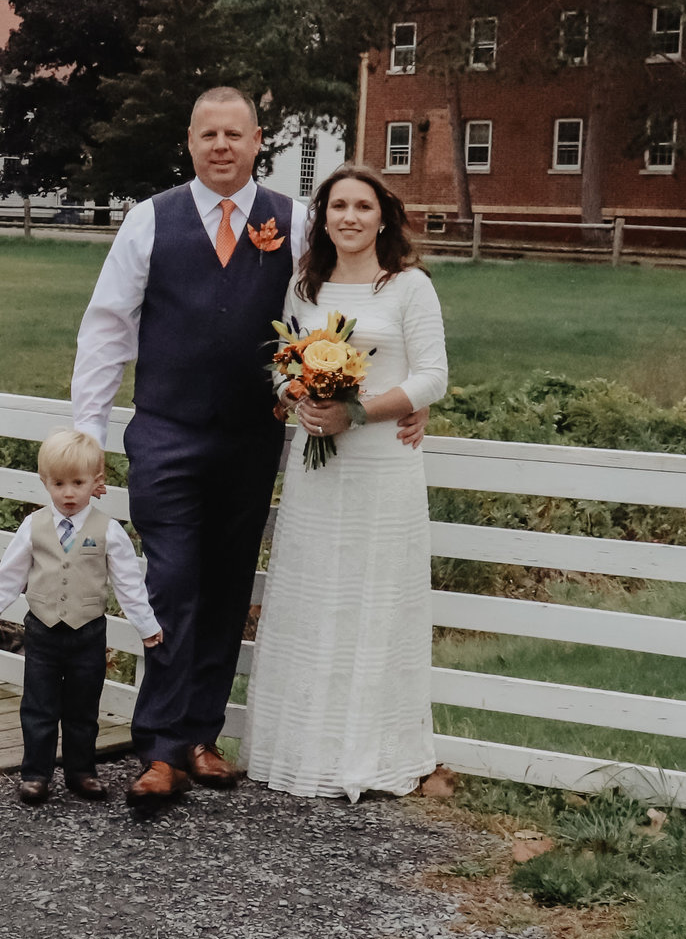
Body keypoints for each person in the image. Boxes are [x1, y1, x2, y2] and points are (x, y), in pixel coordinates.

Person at [70, 87, 427, 812]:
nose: (222, 146)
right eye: (209, 135)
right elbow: (107, 328)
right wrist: (88, 433)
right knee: (170, 581)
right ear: (190, 140)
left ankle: (201, 736)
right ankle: (161, 749)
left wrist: (402, 403)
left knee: (230, 584)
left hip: (253, 438)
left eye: (235, 134)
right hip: (167, 432)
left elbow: (349, 313)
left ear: (258, 139)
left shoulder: (294, 221)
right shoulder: (150, 220)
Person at [243, 165, 449, 800]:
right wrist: (298, 394)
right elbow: (279, 363)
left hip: (383, 464)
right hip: (318, 469)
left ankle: (373, 753)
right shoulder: (306, 288)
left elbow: (433, 377)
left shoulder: (409, 287)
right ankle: (305, 747)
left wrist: (357, 411)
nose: (350, 217)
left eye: (363, 206)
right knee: (314, 592)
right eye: (338, 206)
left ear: (383, 215)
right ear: (323, 217)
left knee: (376, 597)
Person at [0, 429, 163, 804]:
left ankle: (81, 772)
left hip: (87, 634)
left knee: (83, 708)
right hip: (42, 631)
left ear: (96, 482)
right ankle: (36, 775)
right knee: (38, 706)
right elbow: (9, 576)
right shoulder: (33, 527)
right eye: (58, 484)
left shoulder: (109, 531)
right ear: (45, 482)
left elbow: (129, 585)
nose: (68, 493)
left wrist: (147, 627)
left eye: (78, 483)